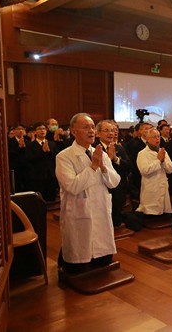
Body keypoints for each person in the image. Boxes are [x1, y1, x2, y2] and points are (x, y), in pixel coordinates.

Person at [56, 113, 120, 274]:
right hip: (79, 209)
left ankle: (100, 256)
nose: (91, 131)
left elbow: (114, 182)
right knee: (78, 261)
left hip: (100, 207)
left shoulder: (101, 153)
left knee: (103, 259)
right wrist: (92, 167)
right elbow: (73, 186)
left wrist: (104, 168)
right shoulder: (64, 156)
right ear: (73, 131)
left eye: (92, 127)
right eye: (85, 127)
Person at [94, 119, 131, 227]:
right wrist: (108, 160)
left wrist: (115, 159)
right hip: (102, 187)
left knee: (116, 216)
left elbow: (129, 166)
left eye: (112, 130)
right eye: (106, 130)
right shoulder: (94, 148)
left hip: (119, 187)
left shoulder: (118, 147)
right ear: (98, 133)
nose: (111, 133)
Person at [136, 128, 172, 216]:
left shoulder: (163, 151)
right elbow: (144, 170)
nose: (157, 139)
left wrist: (163, 161)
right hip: (150, 186)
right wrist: (158, 161)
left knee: (164, 213)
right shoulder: (142, 153)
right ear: (147, 139)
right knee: (150, 212)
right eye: (154, 137)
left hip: (163, 185)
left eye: (158, 137)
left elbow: (170, 169)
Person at [25, 122, 59, 202]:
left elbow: (57, 158)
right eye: (39, 129)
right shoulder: (30, 145)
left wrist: (49, 151)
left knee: (51, 199)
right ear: (35, 132)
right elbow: (29, 159)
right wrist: (42, 152)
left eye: (44, 129)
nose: (42, 131)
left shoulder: (52, 144)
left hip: (51, 175)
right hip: (37, 176)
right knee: (39, 201)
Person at [125, 122, 153, 200]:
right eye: (146, 129)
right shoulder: (134, 144)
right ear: (140, 131)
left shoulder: (154, 143)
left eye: (150, 129)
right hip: (138, 175)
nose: (149, 131)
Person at [8, 123, 31, 193]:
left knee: (27, 187)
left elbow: (30, 155)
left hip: (26, 168)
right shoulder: (9, 142)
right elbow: (9, 154)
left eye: (22, 129)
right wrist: (19, 148)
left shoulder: (28, 141)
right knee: (16, 187)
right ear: (14, 131)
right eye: (18, 129)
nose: (21, 131)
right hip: (15, 168)